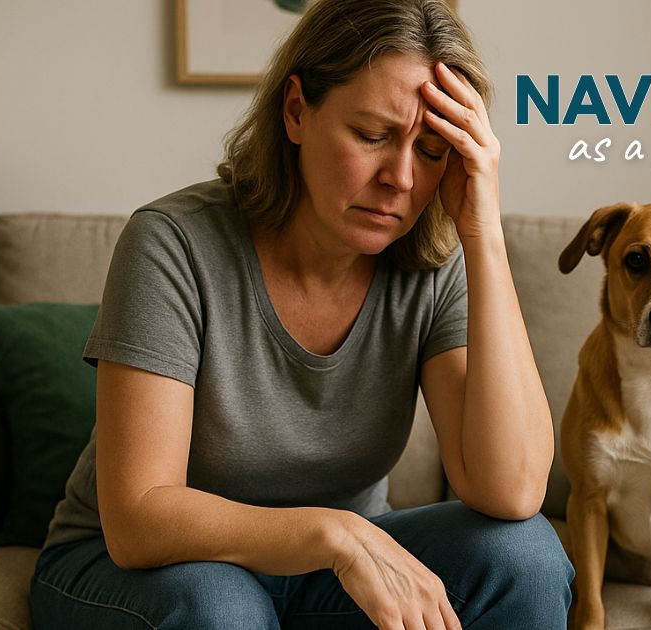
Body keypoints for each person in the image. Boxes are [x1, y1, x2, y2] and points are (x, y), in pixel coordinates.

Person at [28, 1, 573, 628]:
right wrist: (333, 534)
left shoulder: (431, 265)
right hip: (137, 571)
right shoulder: (172, 243)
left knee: (525, 556)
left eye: (430, 150)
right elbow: (139, 518)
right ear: (296, 111)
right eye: (372, 135)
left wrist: (482, 234)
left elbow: (510, 491)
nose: (399, 177)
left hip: (327, 569)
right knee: (221, 607)